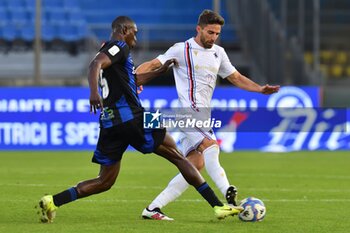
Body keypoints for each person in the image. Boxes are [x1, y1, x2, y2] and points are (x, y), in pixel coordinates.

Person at [37, 15, 243, 223]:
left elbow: (131, 80)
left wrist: (160, 71)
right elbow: (94, 65)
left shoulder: (111, 52)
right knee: (178, 156)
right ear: (124, 30)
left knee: (105, 181)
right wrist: (93, 93)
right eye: (134, 33)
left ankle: (53, 201)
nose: (135, 38)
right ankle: (217, 206)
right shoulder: (118, 46)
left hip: (110, 121)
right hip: (134, 115)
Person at [136, 9, 280, 220]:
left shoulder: (218, 53)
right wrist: (133, 79)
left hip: (203, 114)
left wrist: (259, 89)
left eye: (217, 34)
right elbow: (153, 64)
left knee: (194, 166)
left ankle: (152, 209)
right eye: (210, 32)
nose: (213, 37)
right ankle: (228, 194)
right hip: (188, 112)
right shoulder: (181, 49)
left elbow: (236, 77)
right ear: (199, 29)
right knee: (211, 146)